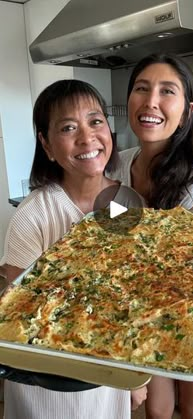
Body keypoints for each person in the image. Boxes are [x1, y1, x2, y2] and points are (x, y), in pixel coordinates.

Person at [0, 79, 147, 419]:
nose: (86, 137)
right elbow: (17, 317)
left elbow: (136, 299)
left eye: (95, 121)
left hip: (108, 378)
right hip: (46, 387)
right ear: (47, 145)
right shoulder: (33, 215)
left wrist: (135, 377)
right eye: (68, 127)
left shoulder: (131, 203)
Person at [107, 53, 193, 419]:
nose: (151, 102)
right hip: (142, 307)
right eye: (142, 89)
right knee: (158, 409)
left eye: (167, 91)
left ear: (187, 110)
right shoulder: (118, 165)